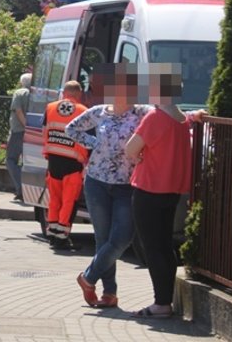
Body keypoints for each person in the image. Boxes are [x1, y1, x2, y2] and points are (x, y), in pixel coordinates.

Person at [65, 65, 150, 309]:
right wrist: (95, 144)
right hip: (96, 183)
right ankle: (109, 294)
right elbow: (71, 129)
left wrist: (195, 115)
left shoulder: (141, 112)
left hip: (126, 185)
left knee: (122, 237)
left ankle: (88, 277)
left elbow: (168, 113)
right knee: (103, 240)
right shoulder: (98, 112)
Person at [124, 67, 204, 319]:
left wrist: (138, 158)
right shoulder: (181, 119)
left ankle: (161, 304)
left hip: (149, 188)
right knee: (165, 246)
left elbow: (130, 149)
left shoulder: (154, 118)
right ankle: (164, 300)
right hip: (172, 190)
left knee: (152, 247)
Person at [42, 81, 88, 249]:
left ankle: (53, 233)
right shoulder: (84, 111)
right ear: (78, 94)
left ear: (64, 93)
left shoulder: (50, 107)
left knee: (55, 199)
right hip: (73, 163)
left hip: (53, 161)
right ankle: (62, 237)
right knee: (69, 201)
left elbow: (44, 130)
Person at [6, 73, 32, 202]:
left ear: (22, 82)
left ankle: (21, 189)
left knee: (11, 160)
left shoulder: (20, 93)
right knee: (27, 162)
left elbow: (18, 110)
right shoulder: (36, 93)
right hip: (34, 131)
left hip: (18, 130)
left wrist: (25, 125)